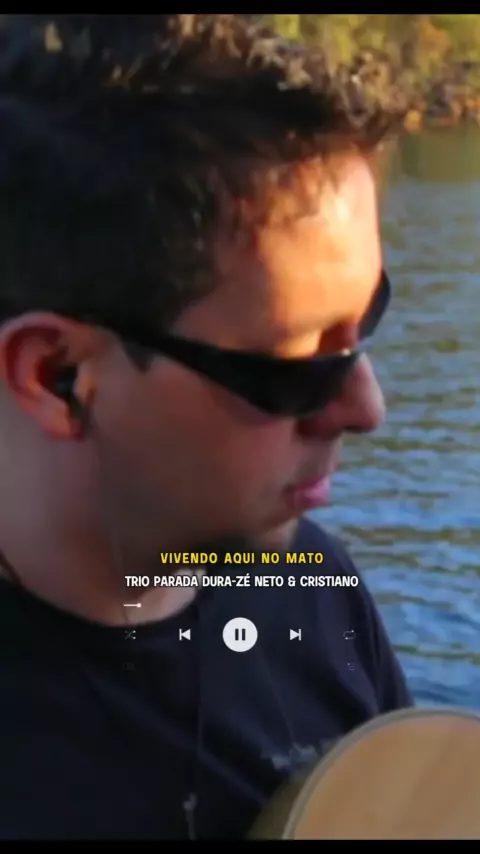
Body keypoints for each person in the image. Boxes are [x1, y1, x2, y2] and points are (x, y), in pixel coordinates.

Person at [0, 14, 413, 840]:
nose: (367, 409)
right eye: (291, 364)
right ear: (57, 376)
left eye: (365, 321)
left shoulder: (313, 590)